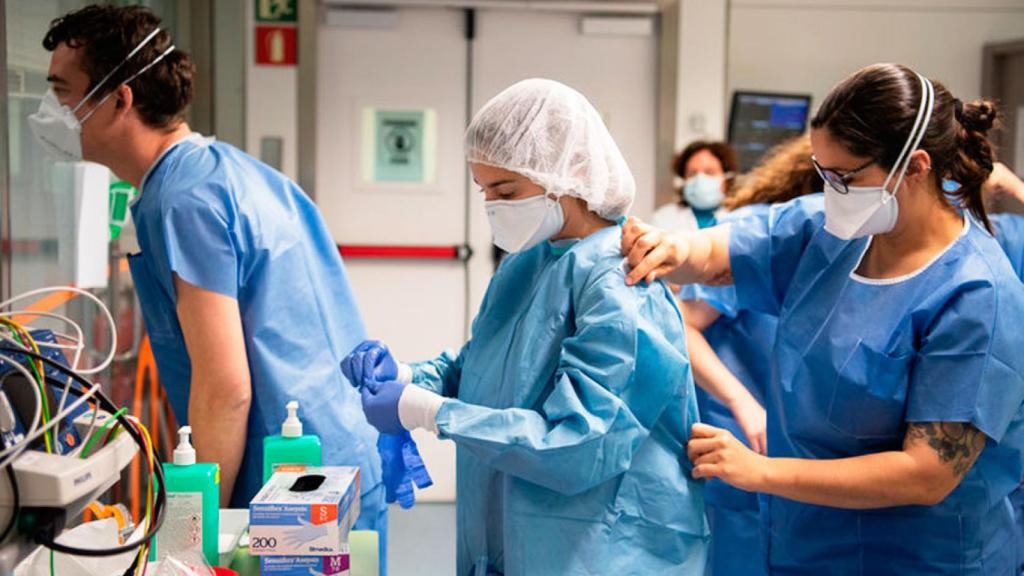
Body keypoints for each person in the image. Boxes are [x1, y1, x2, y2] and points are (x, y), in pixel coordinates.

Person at [622, 63, 1024, 575]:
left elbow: (927, 474)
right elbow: (727, 250)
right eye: (821, 171)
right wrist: (674, 246)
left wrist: (763, 473)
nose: (830, 188)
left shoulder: (976, 294)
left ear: (917, 166)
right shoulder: (832, 232)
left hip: (921, 559)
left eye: (845, 175)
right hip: (810, 548)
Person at [31, 4, 388, 558]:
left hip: (290, 486)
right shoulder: (230, 173)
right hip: (335, 455)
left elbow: (226, 391)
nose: (50, 111)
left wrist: (194, 543)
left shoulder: (183, 200)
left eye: (62, 92)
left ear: (119, 99)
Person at [343, 78, 709, 575]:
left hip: (603, 548)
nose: (493, 205)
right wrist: (408, 378)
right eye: (485, 190)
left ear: (572, 173)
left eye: (506, 190)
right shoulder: (527, 263)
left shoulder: (621, 280)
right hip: (513, 535)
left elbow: (581, 442)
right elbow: (482, 365)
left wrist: (431, 413)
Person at [676, 134, 820, 576]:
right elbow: (684, 325)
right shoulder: (763, 237)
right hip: (743, 432)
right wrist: (743, 404)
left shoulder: (856, 247)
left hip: (797, 449)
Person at [652, 141, 738, 231]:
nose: (699, 179)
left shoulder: (741, 219)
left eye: (709, 172)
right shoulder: (662, 219)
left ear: (727, 177)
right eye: (692, 174)